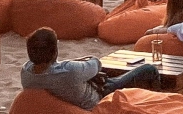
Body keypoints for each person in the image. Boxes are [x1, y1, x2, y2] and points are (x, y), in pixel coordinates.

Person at [21, 27, 160, 109]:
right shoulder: (70, 70)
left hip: (75, 93)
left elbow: (53, 71)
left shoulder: (26, 73)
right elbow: (96, 63)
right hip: (99, 95)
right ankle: (159, 104)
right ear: (54, 51)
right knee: (149, 69)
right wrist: (80, 61)